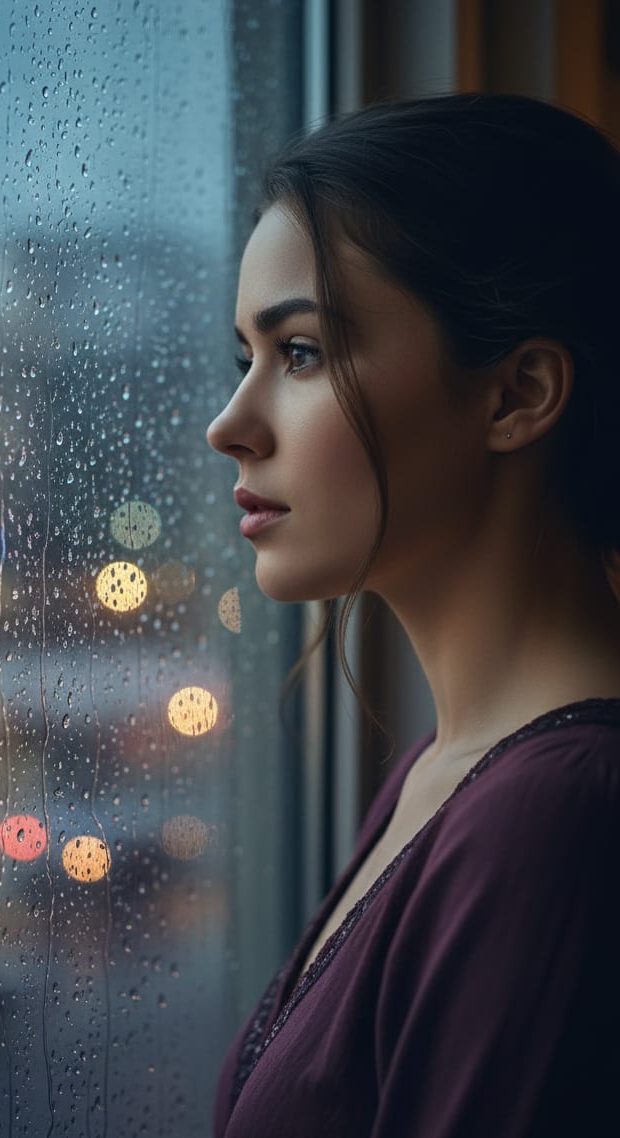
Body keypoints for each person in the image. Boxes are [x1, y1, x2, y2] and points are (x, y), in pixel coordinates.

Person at [206, 93, 620, 1138]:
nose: (230, 426)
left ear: (515, 393)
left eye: (298, 353)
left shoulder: (554, 816)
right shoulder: (441, 771)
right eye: (242, 358)